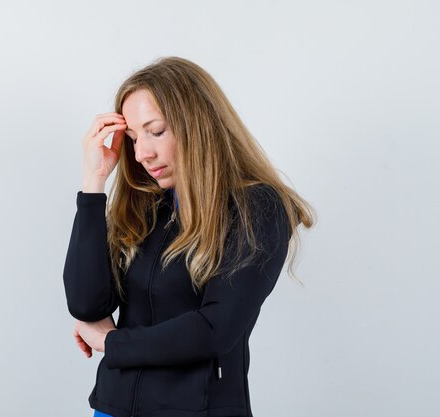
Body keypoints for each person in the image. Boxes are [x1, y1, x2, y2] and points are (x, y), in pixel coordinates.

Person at [63, 56, 315, 417]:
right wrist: (93, 185)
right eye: (133, 138)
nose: (143, 153)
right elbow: (86, 306)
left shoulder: (256, 207)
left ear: (197, 124)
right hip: (112, 408)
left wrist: (112, 342)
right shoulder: (146, 206)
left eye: (157, 130)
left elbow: (215, 329)